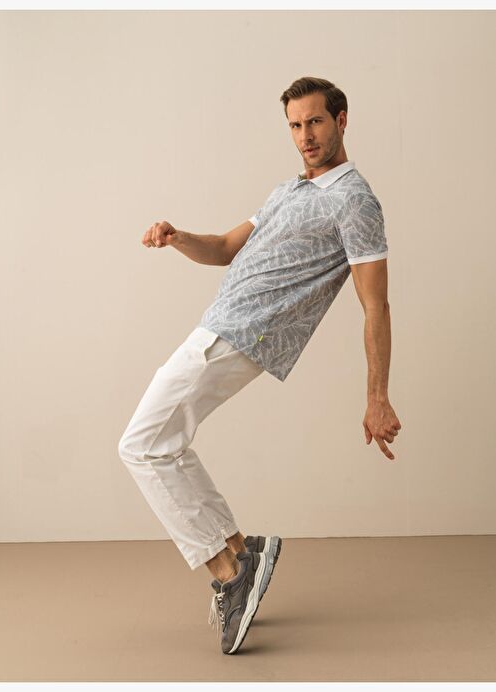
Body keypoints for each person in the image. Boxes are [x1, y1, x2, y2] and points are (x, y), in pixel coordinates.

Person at [118, 75, 402, 655]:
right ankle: (239, 551)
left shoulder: (355, 201)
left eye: (315, 122)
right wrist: (177, 236)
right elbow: (225, 248)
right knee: (163, 445)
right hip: (216, 325)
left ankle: (230, 572)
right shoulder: (287, 191)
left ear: (341, 120)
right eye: (295, 125)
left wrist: (377, 396)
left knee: (142, 445)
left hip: (245, 334)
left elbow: (375, 304)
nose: (305, 136)